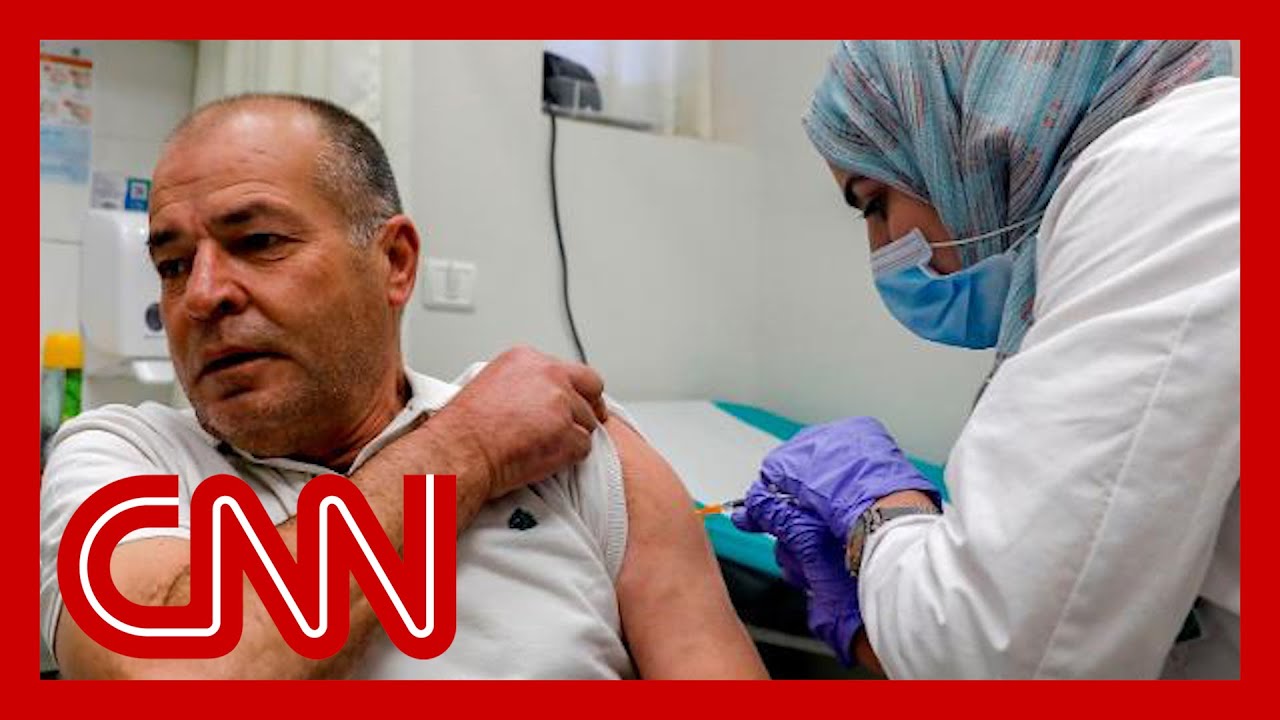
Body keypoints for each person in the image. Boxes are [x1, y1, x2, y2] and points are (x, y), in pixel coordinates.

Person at [41, 93, 767, 680]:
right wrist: (469, 449)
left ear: (394, 262)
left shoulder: (572, 449)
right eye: (172, 265)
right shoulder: (124, 459)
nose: (201, 295)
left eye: (259, 242)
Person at [733, 41, 1239, 679]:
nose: (882, 251)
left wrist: (878, 511)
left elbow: (1004, 654)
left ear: (971, 128)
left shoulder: (1171, 175)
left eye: (874, 202)